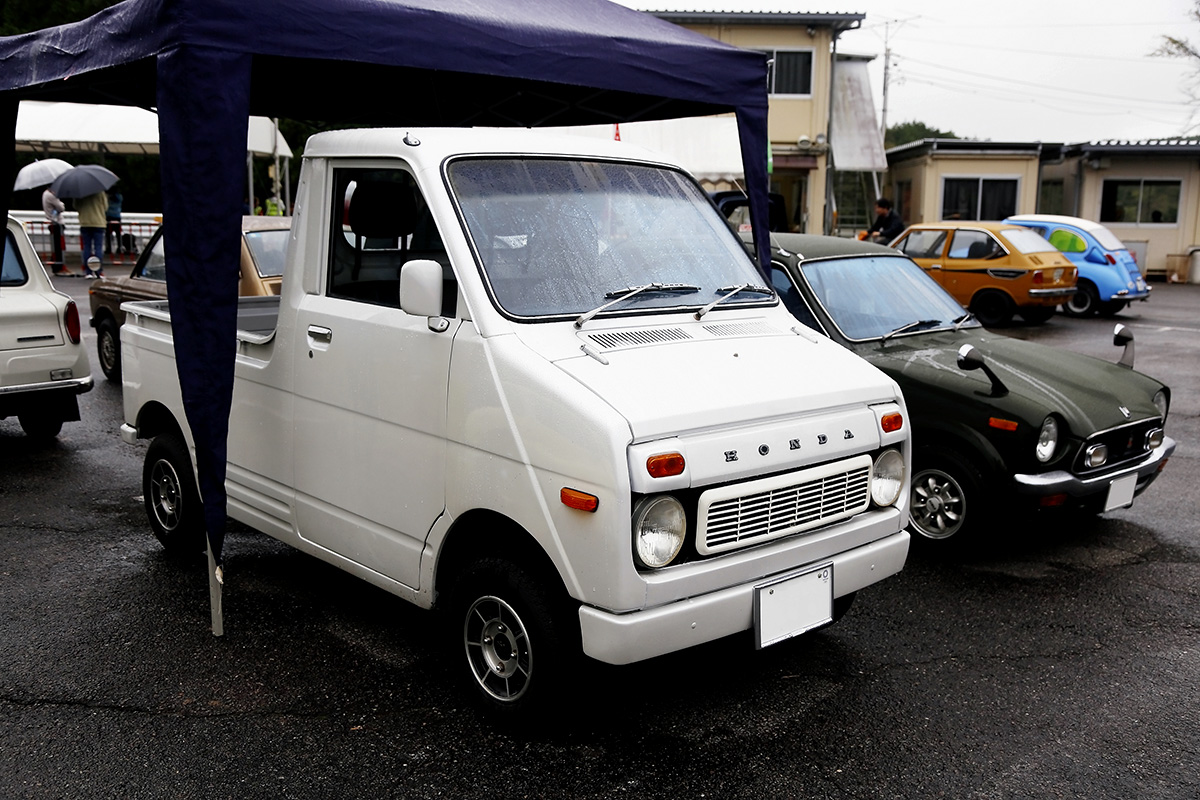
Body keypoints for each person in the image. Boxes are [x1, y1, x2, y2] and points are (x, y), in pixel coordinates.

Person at [75, 190, 109, 276]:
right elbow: (105, 207)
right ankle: (98, 271)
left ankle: (88, 271)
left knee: (87, 247)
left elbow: (75, 206)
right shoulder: (100, 192)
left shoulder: (79, 193)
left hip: (85, 222)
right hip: (99, 222)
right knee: (98, 247)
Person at [41, 187, 66, 273]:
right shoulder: (51, 196)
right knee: (58, 246)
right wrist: (61, 203)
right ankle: (58, 266)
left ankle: (57, 265)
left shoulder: (45, 193)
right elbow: (61, 208)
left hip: (52, 222)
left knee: (56, 246)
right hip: (56, 223)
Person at [104, 191, 124, 256]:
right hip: (117, 216)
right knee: (118, 234)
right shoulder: (119, 196)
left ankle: (109, 248)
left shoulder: (107, 197)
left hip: (109, 216)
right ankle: (120, 247)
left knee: (108, 234)